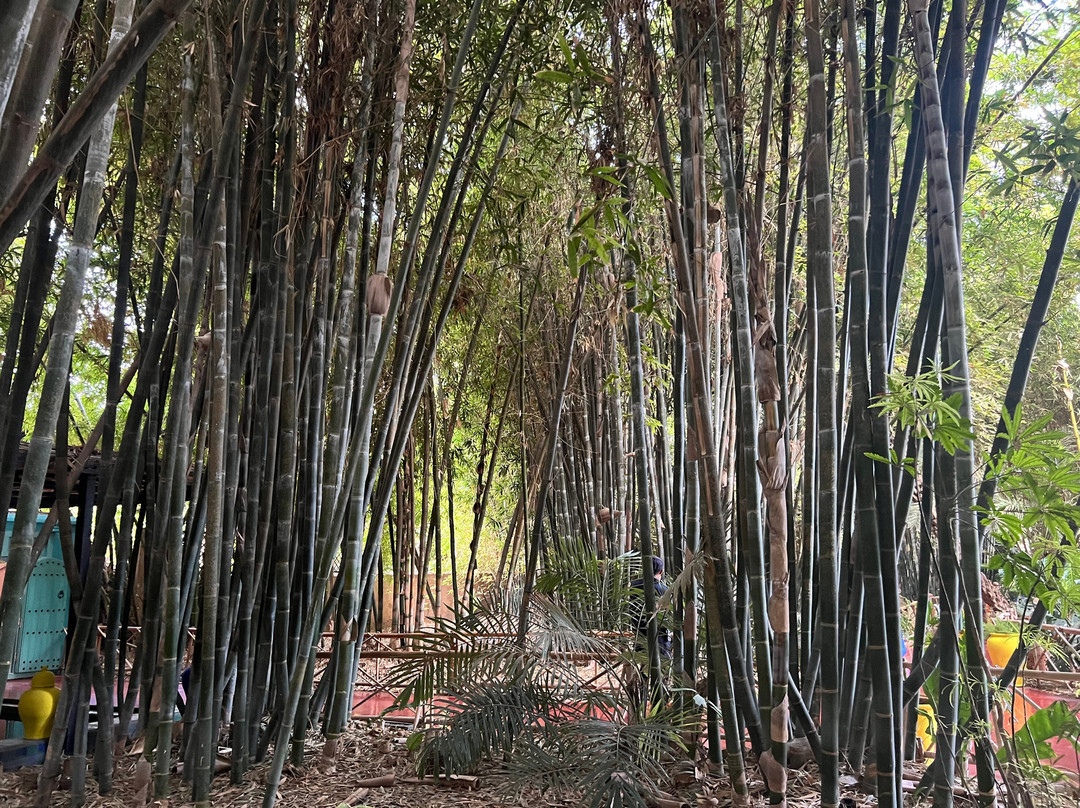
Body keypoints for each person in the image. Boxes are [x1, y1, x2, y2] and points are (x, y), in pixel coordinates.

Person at [630, 555, 671, 659]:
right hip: (658, 636)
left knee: (644, 666)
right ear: (661, 572)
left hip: (639, 631)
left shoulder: (633, 586)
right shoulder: (663, 590)